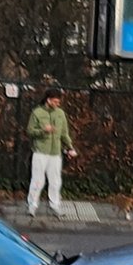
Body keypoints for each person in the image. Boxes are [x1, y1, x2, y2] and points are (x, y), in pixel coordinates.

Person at [25, 82, 77, 218]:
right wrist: (43, 131)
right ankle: (32, 205)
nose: (57, 104)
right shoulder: (37, 113)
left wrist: (70, 147)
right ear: (48, 100)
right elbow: (30, 131)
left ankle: (55, 206)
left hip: (55, 153)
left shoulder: (60, 114)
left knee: (55, 181)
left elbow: (64, 133)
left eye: (58, 101)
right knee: (38, 179)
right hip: (40, 151)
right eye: (55, 101)